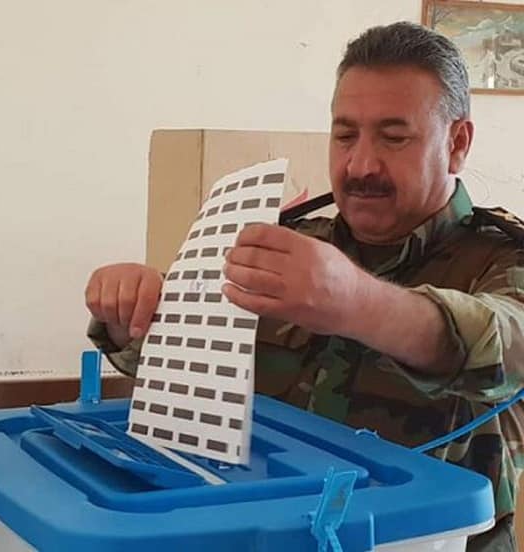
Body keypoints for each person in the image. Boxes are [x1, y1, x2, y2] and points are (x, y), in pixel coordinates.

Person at [85, 22, 523, 551]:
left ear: (457, 143)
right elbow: (184, 367)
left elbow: (506, 346)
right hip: (264, 531)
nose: (361, 165)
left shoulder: (503, 259)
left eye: (394, 137)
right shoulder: (287, 243)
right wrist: (133, 310)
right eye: (344, 136)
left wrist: (355, 303)